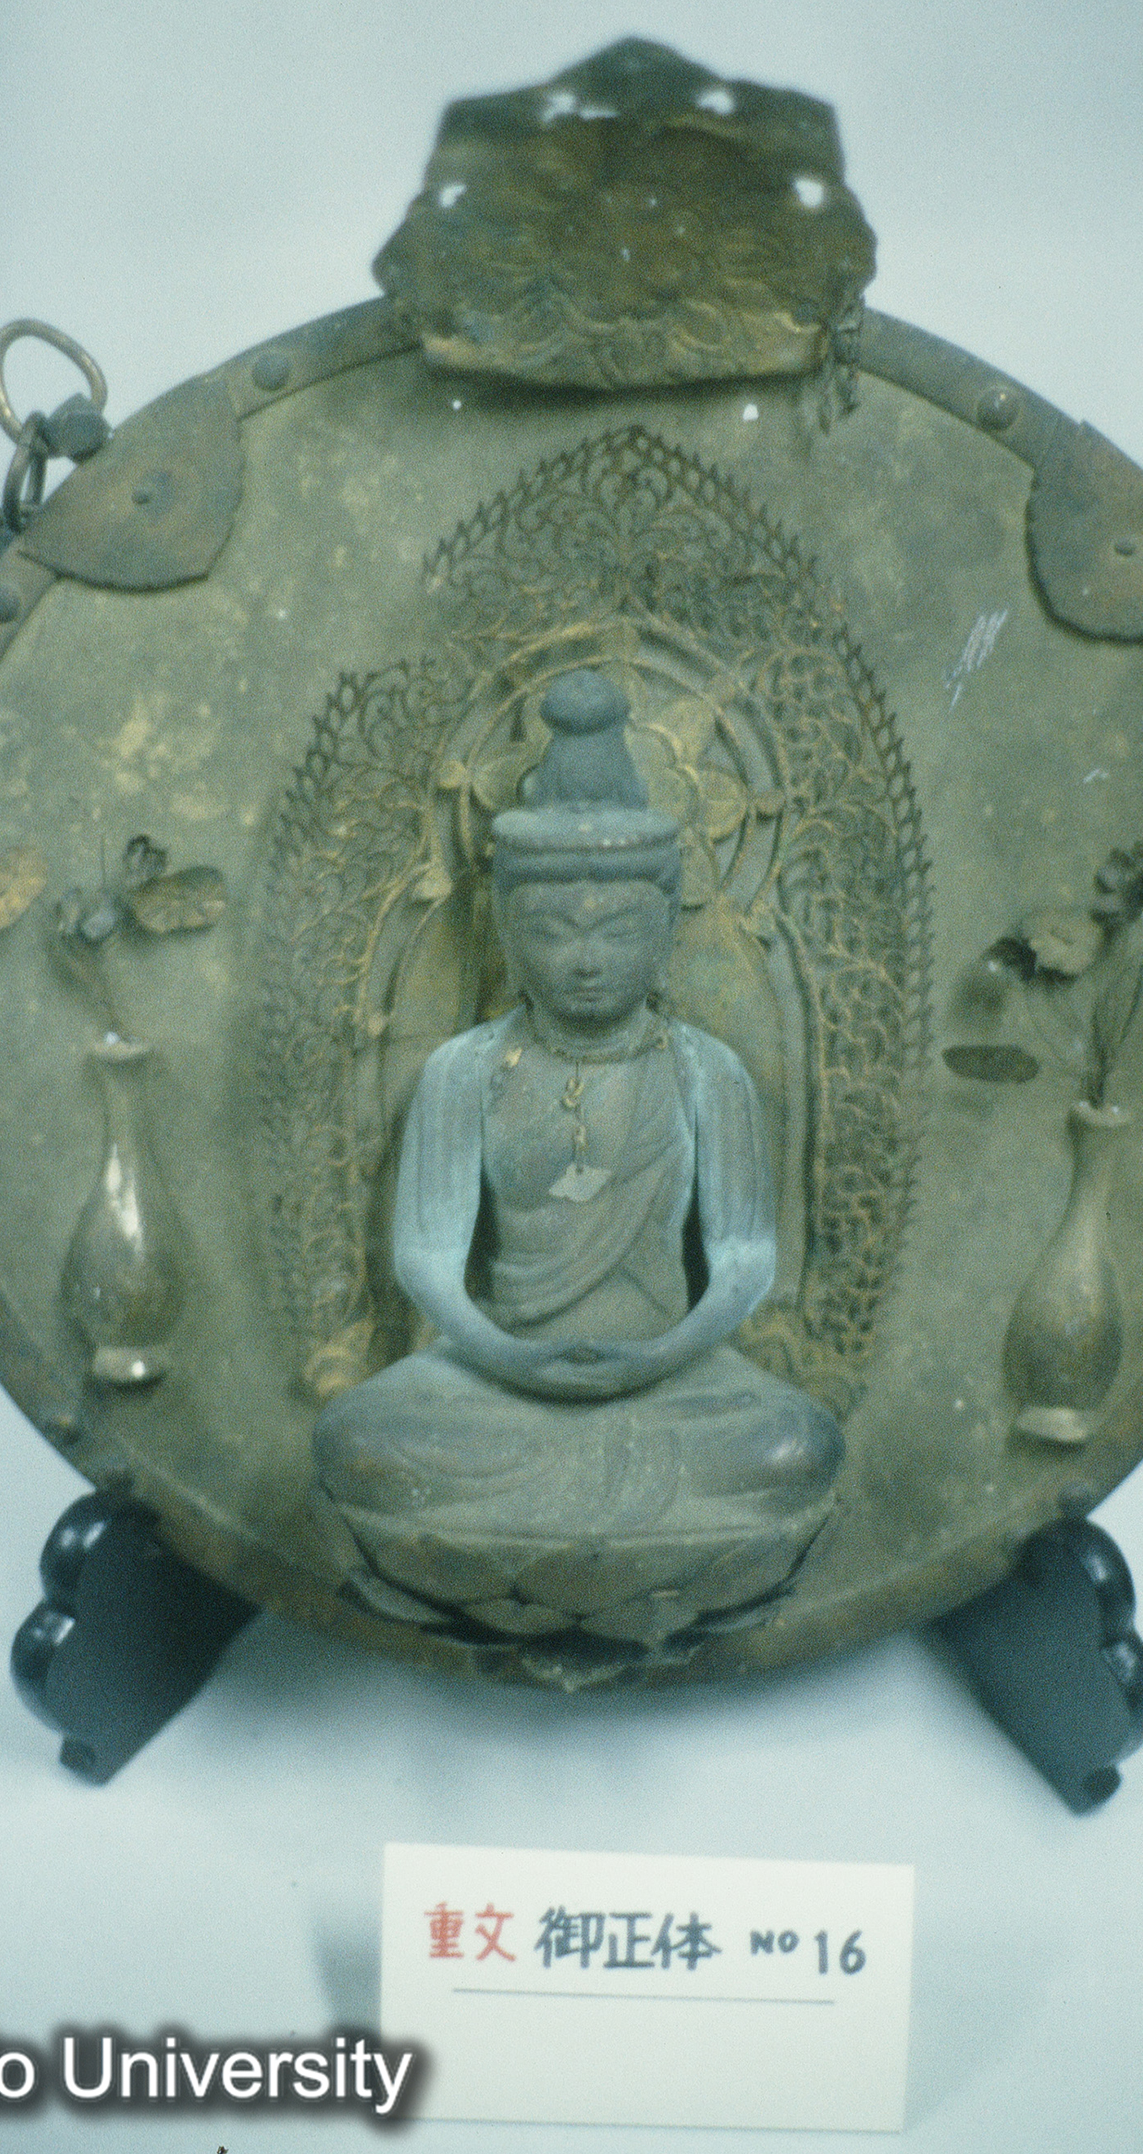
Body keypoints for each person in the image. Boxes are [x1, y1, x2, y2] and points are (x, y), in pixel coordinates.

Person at [313, 670, 843, 1645]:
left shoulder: (704, 1070)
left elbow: (744, 1258)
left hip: (673, 1372)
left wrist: (660, 1356)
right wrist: (509, 1357)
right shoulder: (465, 1072)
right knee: (360, 1440)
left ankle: (525, 1557)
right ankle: (629, 1556)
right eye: (553, 931)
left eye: (618, 930)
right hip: (494, 1371)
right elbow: (426, 1256)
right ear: (510, 932)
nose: (586, 959)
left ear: (666, 929)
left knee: (794, 1446)